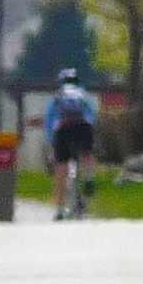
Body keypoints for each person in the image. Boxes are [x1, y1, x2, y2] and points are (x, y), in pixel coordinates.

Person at [44, 67, 101, 219]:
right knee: (87, 154)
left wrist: (50, 141)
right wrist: (91, 131)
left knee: (61, 170)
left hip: (63, 130)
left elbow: (49, 120)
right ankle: (89, 178)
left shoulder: (58, 96)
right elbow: (92, 113)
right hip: (83, 128)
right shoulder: (82, 94)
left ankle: (60, 210)